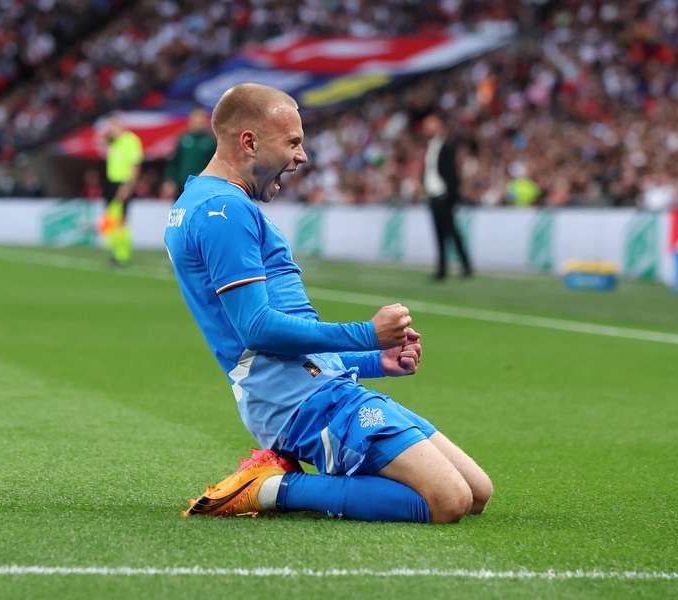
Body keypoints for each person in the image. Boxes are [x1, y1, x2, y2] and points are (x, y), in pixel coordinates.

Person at [165, 83, 492, 524]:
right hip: (298, 399)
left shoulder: (203, 203)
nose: (302, 156)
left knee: (476, 491)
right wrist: (366, 333)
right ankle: (269, 487)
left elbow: (276, 335)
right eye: (293, 142)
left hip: (317, 383)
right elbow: (256, 329)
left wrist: (376, 358)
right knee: (446, 501)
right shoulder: (223, 211)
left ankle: (286, 479)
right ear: (249, 142)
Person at [422, 112, 473, 280]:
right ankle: (442, 268)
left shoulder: (447, 146)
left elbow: (451, 174)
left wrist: (451, 195)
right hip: (434, 195)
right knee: (439, 233)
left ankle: (465, 266)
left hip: (444, 195)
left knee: (451, 232)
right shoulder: (430, 147)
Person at [98, 117, 143, 266]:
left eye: (113, 126)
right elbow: (99, 141)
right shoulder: (114, 142)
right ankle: (116, 251)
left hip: (123, 183)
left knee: (120, 220)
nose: (111, 129)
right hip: (111, 183)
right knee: (111, 219)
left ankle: (122, 255)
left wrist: (128, 186)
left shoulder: (130, 140)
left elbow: (135, 165)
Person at [162, 107, 217, 200]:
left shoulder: (211, 142)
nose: (198, 122)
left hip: (202, 186)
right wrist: (170, 181)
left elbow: (216, 164)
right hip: (182, 186)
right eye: (196, 119)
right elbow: (174, 162)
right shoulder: (183, 139)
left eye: (201, 119)